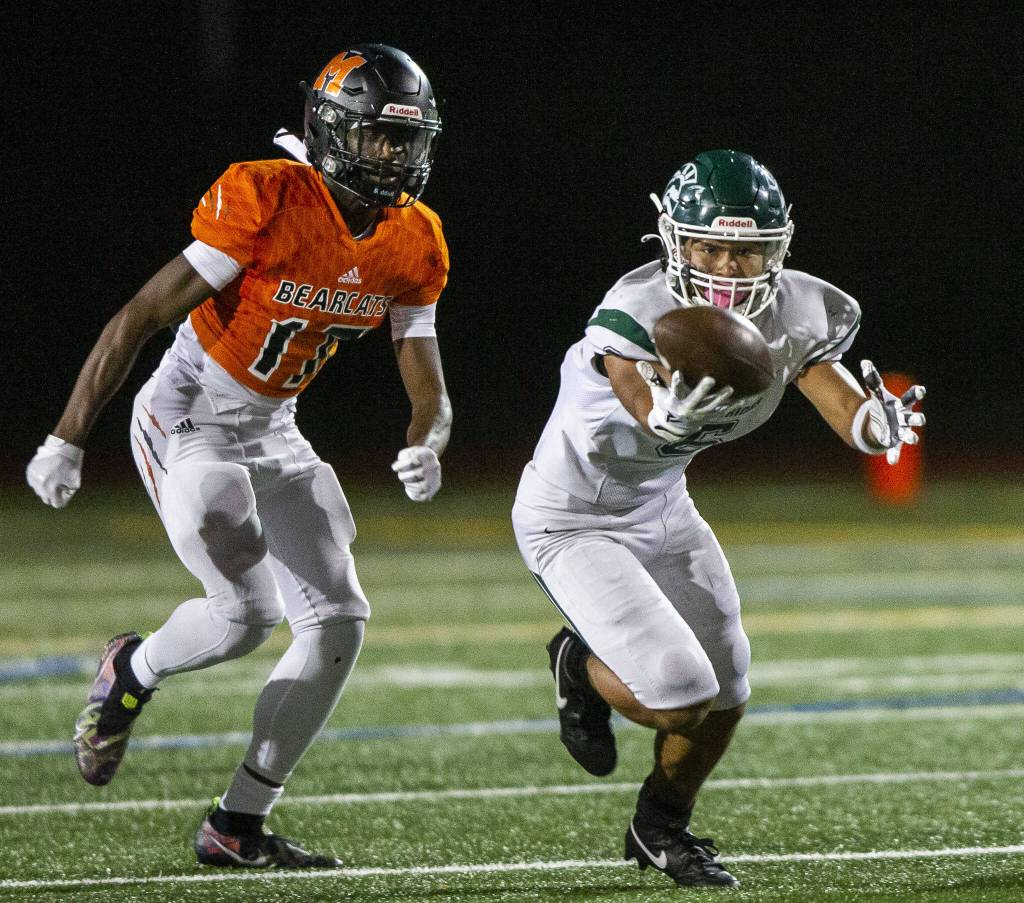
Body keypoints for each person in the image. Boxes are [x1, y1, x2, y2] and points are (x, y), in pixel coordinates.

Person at [25, 44, 451, 869]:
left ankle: (238, 820)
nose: (393, 157)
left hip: (273, 423)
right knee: (245, 605)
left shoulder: (415, 238)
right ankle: (131, 672)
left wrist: (427, 440)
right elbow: (141, 314)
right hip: (186, 408)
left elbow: (427, 381)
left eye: (406, 140)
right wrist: (66, 435)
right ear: (328, 131)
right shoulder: (266, 195)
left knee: (338, 622)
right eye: (376, 138)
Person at [511, 149, 925, 889]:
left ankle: (660, 824)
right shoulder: (635, 307)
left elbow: (828, 388)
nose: (730, 267)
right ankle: (579, 663)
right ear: (676, 242)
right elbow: (637, 395)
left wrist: (874, 427)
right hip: (572, 516)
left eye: (747, 249)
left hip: (660, 500)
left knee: (730, 686)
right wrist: (660, 413)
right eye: (711, 246)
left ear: (779, 247)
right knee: (680, 694)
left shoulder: (797, 307)